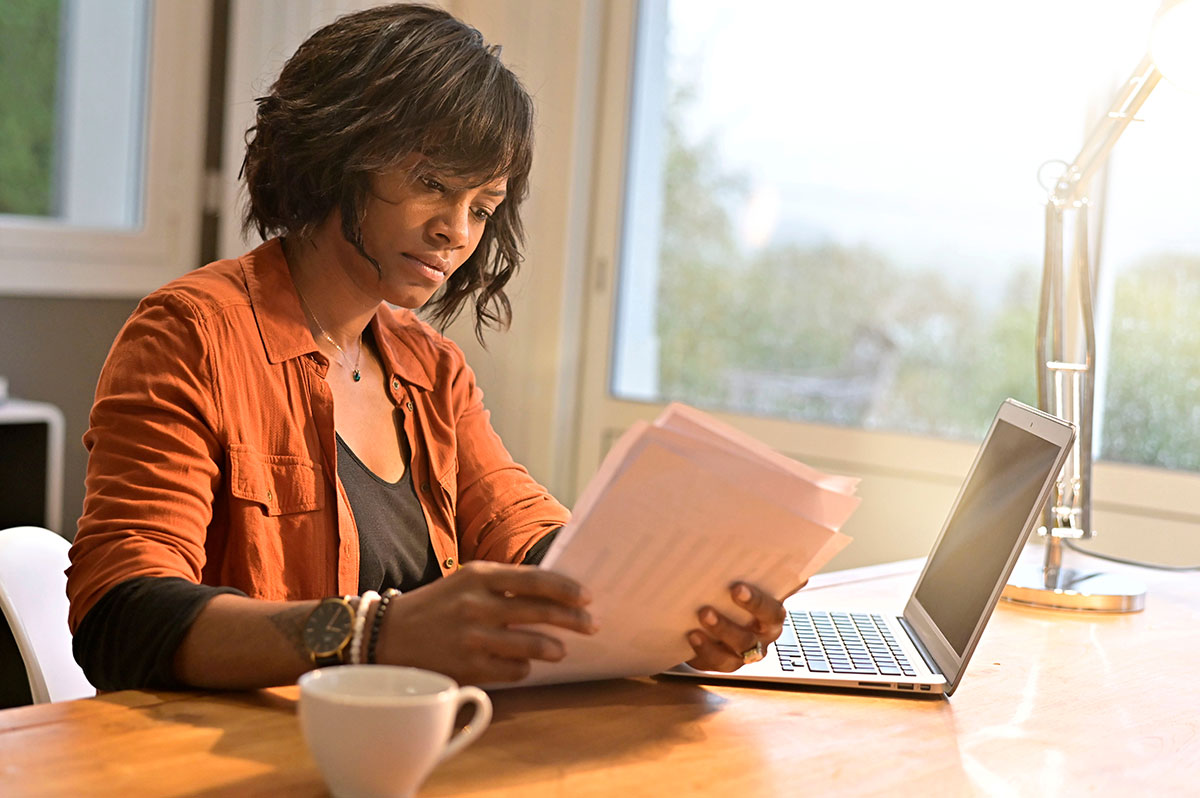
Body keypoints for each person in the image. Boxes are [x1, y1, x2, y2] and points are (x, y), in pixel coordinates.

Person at [66, 3, 787, 691]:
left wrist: (679, 610)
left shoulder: (431, 369)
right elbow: (121, 617)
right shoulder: (191, 335)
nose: (458, 232)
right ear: (338, 152)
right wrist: (371, 632)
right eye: (432, 184)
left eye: (483, 208)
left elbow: (520, 526)